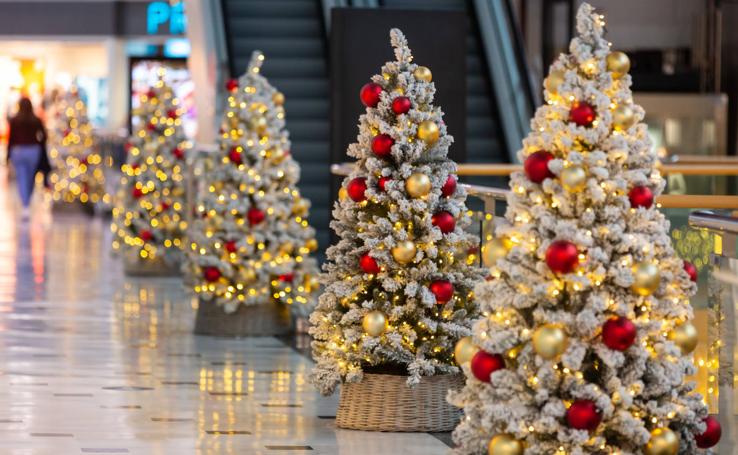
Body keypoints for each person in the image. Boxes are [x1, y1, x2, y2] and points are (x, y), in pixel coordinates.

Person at [7, 97, 46, 218]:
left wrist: (8, 155)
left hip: (18, 151)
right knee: (30, 177)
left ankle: (25, 204)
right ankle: (26, 203)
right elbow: (44, 136)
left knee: (22, 177)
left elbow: (11, 139)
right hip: (33, 151)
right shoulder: (36, 120)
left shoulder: (14, 120)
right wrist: (38, 145)